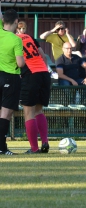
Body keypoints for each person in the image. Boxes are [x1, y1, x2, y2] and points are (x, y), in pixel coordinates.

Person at [17, 25, 51, 154]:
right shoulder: (30, 37)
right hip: (43, 72)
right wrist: (45, 71)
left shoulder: (12, 39)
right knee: (38, 110)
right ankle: (44, 141)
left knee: (28, 113)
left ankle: (34, 148)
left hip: (31, 74)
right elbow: (43, 55)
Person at [0, 8, 24, 155]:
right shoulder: (16, 39)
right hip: (11, 77)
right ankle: (2, 147)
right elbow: (20, 63)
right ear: (16, 22)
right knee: (6, 114)